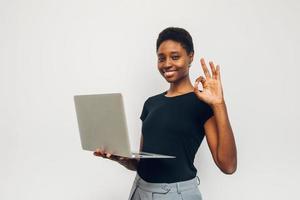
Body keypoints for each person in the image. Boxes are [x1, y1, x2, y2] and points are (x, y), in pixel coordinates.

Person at [93, 27, 237, 200]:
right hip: (139, 189)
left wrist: (219, 104)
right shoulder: (151, 104)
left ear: (190, 56)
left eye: (175, 57)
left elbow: (228, 166)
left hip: (176, 194)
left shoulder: (201, 103)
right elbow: (141, 164)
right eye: (161, 58)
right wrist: (120, 158)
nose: (167, 63)